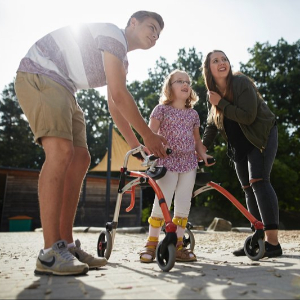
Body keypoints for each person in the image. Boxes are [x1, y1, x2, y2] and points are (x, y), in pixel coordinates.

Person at [14, 11, 168, 276]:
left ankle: (67, 246)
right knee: (61, 152)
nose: (154, 35)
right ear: (133, 23)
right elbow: (120, 95)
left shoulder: (122, 60)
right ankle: (50, 253)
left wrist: (135, 146)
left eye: (158, 33)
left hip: (65, 88)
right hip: (41, 73)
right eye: (151, 27)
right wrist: (148, 136)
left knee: (80, 158)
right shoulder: (113, 35)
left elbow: (114, 105)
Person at [201, 50, 282, 258]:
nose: (222, 62)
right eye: (215, 60)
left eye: (224, 59)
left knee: (259, 181)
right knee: (247, 188)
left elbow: (248, 117)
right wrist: (201, 149)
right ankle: (258, 239)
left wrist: (221, 103)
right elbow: (212, 124)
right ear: (208, 69)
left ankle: (273, 244)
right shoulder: (213, 93)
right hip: (239, 145)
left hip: (260, 136)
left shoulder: (240, 82)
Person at [139, 69, 213, 263]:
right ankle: (151, 243)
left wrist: (203, 154)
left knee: (183, 205)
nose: (185, 84)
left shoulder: (193, 114)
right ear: (169, 87)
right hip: (167, 161)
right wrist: (150, 153)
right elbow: (150, 134)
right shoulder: (160, 110)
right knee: (162, 202)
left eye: (187, 81)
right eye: (179, 81)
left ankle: (178, 245)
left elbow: (197, 141)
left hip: (189, 163)